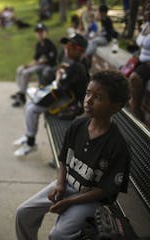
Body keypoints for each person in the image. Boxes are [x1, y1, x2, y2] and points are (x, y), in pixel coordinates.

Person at [15, 70, 131, 240]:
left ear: (116, 106)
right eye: (88, 93)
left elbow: (104, 191)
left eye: (98, 97)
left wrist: (69, 202)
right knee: (23, 213)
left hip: (92, 200)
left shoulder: (118, 145)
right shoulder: (78, 124)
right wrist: (60, 184)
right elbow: (63, 159)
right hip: (67, 186)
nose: (88, 101)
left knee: (58, 235)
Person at [13, 34, 89, 157]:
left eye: (70, 46)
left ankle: (31, 143)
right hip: (66, 96)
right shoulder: (75, 63)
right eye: (66, 45)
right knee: (29, 102)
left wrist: (59, 76)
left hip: (73, 103)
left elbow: (60, 88)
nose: (66, 49)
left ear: (79, 50)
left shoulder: (78, 67)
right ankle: (28, 136)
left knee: (32, 109)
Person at [11, 23, 57, 107]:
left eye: (41, 32)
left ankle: (22, 96)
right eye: (38, 32)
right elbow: (36, 59)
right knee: (20, 69)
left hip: (48, 66)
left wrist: (33, 65)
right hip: (39, 65)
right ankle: (21, 90)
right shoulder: (38, 45)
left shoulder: (49, 44)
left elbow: (47, 60)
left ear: (46, 32)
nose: (39, 34)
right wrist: (28, 65)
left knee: (26, 72)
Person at [128, 0, 150, 128]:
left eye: (149, 9)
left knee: (134, 78)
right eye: (146, 9)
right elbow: (142, 45)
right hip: (141, 60)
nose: (147, 12)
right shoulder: (146, 25)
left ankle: (136, 111)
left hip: (148, 64)